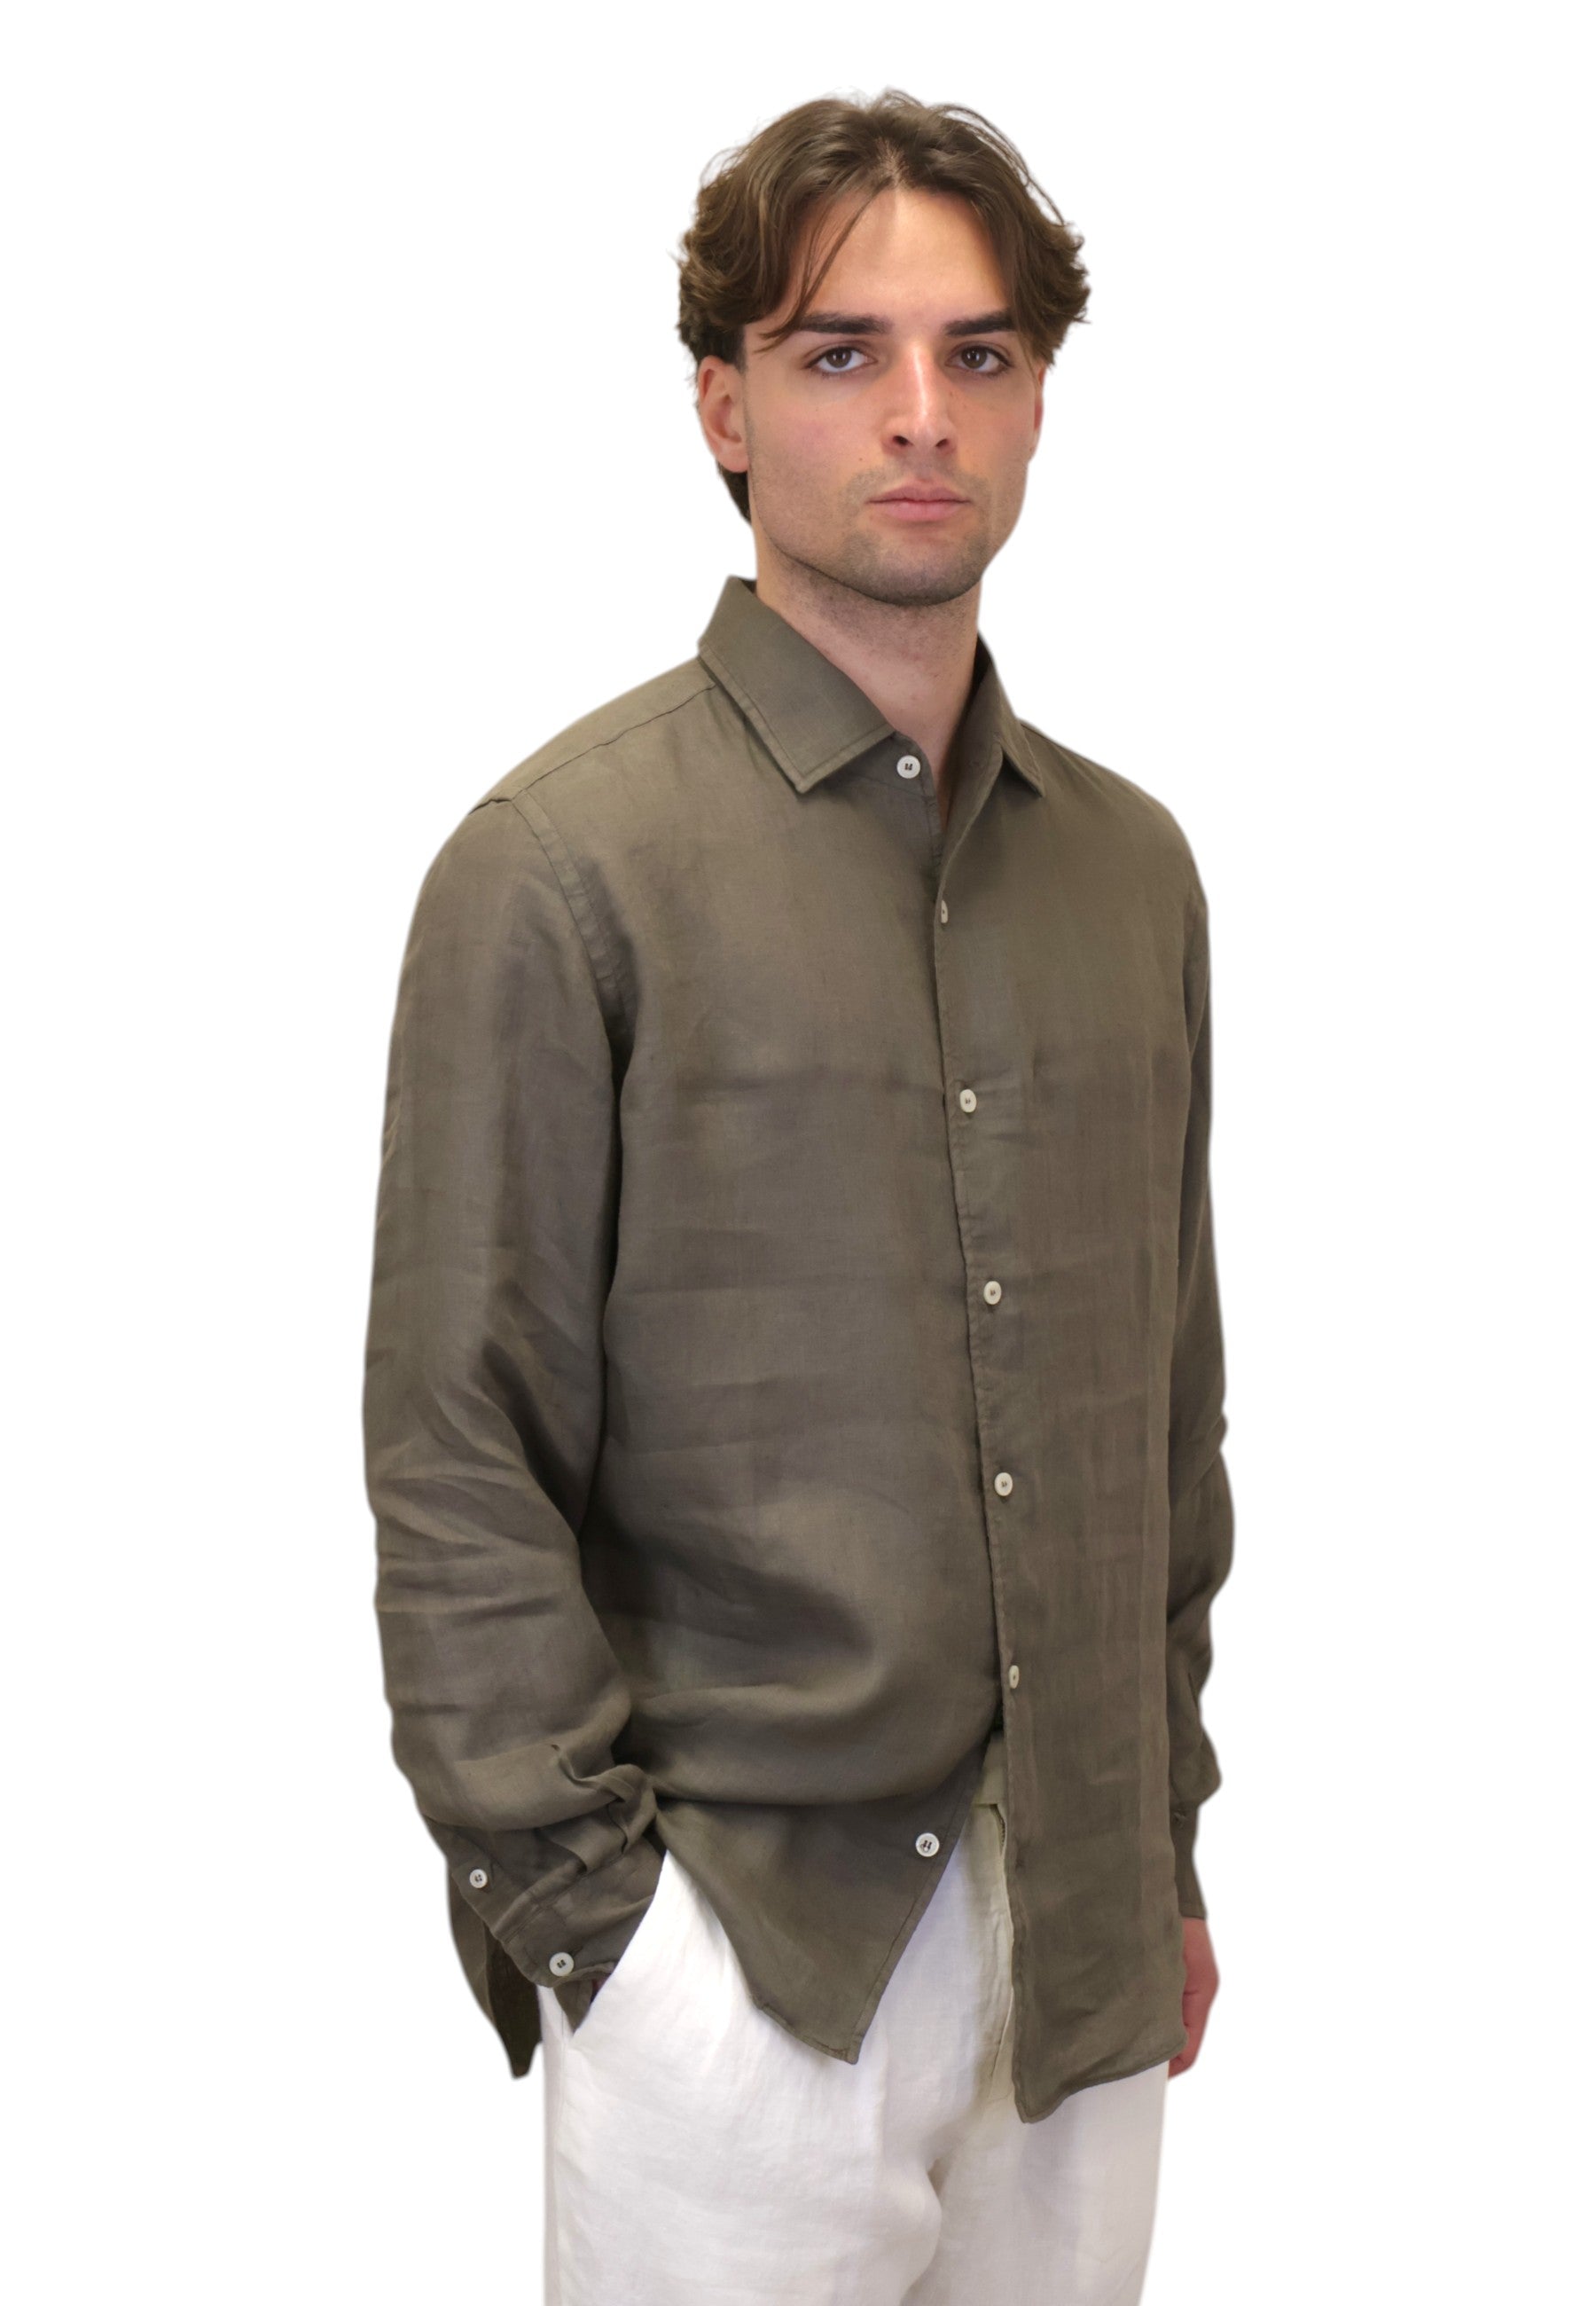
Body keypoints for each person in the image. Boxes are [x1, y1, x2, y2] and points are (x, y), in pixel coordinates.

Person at [364, 87, 1234, 2305]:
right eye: (844, 352)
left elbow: (1166, 1416)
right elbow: (459, 1446)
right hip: (740, 1969)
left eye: (979, 352)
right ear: (725, 409)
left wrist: (1163, 1845)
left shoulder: (1132, 875)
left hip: (1087, 1961)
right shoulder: (559, 870)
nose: (921, 413)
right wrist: (606, 1943)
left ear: (1036, 402)